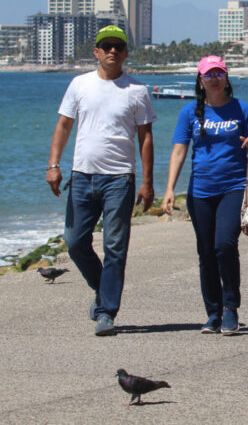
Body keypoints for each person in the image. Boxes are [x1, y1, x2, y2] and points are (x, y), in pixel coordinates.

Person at [46, 25, 156, 336]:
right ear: (96, 51)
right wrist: (53, 165)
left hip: (120, 179)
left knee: (115, 247)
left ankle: (107, 312)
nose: (112, 51)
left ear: (125, 53)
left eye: (118, 47)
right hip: (81, 177)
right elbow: (64, 126)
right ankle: (102, 289)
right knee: (75, 242)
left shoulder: (137, 90)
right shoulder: (79, 85)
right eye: (106, 46)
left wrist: (147, 182)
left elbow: (146, 138)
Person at [162, 56, 248, 335]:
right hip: (200, 192)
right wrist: (170, 189)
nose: (215, 78)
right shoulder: (189, 113)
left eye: (220, 73)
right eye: (209, 74)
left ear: (227, 78)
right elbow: (180, 150)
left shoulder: (242, 110)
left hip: (233, 188)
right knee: (206, 252)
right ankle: (213, 313)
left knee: (224, 245)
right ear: (200, 80)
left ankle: (230, 307)